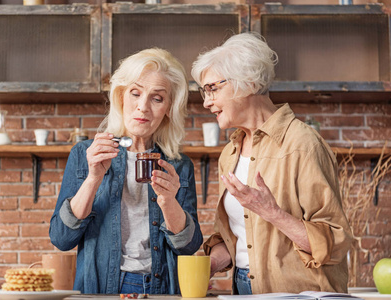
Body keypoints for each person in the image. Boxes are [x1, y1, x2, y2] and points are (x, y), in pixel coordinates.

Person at [191, 32, 352, 295]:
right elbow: (239, 240)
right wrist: (209, 264)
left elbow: (335, 243)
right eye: (203, 91)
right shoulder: (229, 154)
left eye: (213, 88)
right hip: (244, 289)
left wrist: (271, 212)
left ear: (249, 83)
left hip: (299, 294)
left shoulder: (302, 144)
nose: (206, 101)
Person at [50, 48, 203, 294]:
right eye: (135, 93)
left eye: (157, 98)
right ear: (121, 96)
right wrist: (93, 179)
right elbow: (61, 238)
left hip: (161, 289)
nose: (142, 107)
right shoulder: (85, 155)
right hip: (100, 289)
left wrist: (168, 202)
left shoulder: (178, 165)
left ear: (168, 108)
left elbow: (189, 248)